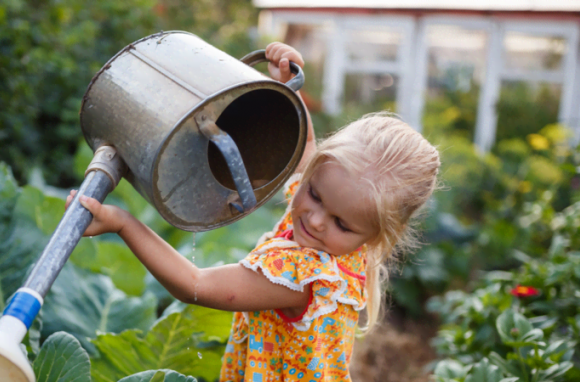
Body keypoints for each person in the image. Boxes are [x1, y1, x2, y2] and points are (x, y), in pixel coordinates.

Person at [66, 42, 441, 382]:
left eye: (340, 222)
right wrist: (282, 85)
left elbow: (195, 285)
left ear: (377, 235)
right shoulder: (346, 237)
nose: (315, 218)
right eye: (314, 194)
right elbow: (305, 146)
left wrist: (124, 223)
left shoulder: (304, 275)